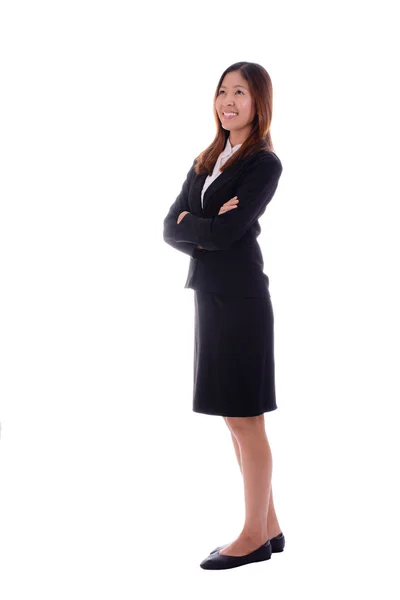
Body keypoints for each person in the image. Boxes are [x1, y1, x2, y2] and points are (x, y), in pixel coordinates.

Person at [163, 61, 285, 570]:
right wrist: (202, 221)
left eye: (240, 91)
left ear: (259, 101)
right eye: (222, 92)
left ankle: (252, 536)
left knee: (245, 418)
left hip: (241, 300)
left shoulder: (263, 164)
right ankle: (270, 526)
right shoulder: (206, 159)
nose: (228, 101)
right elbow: (170, 227)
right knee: (233, 422)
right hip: (209, 295)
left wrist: (201, 223)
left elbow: (228, 235)